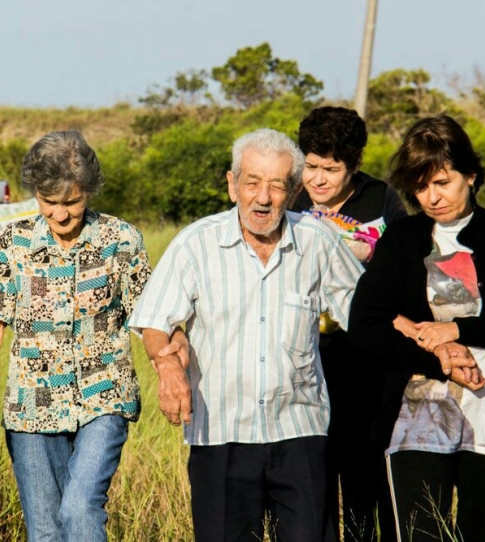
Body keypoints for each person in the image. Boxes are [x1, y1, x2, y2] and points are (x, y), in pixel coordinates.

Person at [129, 128, 365, 542]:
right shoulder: (196, 244)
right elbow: (155, 321)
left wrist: (432, 336)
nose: (263, 197)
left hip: (300, 428)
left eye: (276, 185)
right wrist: (167, 366)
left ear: (293, 192)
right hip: (220, 433)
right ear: (232, 184)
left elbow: (366, 315)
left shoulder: (318, 241)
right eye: (252, 182)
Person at [346, 115, 485, 542]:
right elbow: (365, 322)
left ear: (471, 175)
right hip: (414, 418)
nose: (432, 197)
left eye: (443, 182)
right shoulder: (403, 238)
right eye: (421, 187)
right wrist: (436, 359)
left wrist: (457, 330)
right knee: (421, 534)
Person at [0, 130, 155, 542]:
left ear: (90, 192)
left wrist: (169, 369)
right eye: (49, 203)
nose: (60, 215)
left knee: (81, 508)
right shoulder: (10, 243)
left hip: (104, 395)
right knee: (45, 531)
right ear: (35, 194)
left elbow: (149, 321)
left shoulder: (121, 240)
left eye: (71, 203)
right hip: (31, 405)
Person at [291, 106, 407, 541]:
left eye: (331, 169)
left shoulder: (382, 199)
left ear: (355, 165)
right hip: (305, 361)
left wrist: (367, 252)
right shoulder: (290, 200)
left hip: (368, 361)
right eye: (311, 166)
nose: (318, 179)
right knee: (313, 478)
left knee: (367, 473)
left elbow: (407, 264)